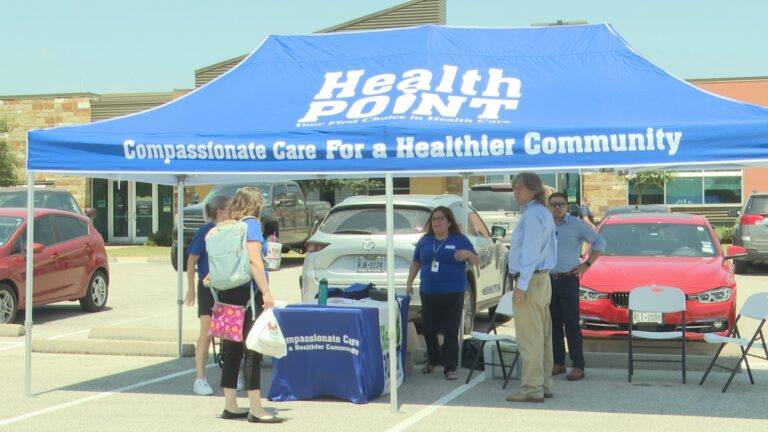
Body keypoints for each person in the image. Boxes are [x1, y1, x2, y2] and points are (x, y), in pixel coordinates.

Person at [215, 186, 283, 423]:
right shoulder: (251, 224)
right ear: (256, 204)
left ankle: (230, 404)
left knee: (232, 351)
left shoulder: (228, 225)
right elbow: (254, 259)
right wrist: (266, 291)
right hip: (248, 295)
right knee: (252, 350)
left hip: (227, 293)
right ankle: (256, 408)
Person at [406, 206, 478, 381]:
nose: (436, 222)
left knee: (450, 330)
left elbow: (475, 261)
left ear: (449, 222)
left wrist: (467, 254)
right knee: (429, 328)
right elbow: (416, 263)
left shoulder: (459, 240)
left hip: (453, 292)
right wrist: (409, 282)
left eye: (440, 219)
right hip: (429, 291)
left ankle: (450, 367)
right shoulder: (425, 241)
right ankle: (433, 358)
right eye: (434, 219)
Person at [506, 172, 557, 403]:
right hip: (542, 279)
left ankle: (532, 387)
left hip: (531, 279)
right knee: (542, 336)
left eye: (521, 188)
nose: (516, 192)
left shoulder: (532, 216)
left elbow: (530, 253)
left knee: (530, 338)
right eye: (515, 188)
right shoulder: (543, 212)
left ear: (534, 190)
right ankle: (544, 384)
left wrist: (521, 285)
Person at [547, 192, 605, 381]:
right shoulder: (544, 224)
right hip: (548, 279)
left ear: (567, 206)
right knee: (553, 324)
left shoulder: (576, 224)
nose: (557, 208)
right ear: (548, 206)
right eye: (553, 204)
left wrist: (586, 265)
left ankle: (578, 365)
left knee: (571, 324)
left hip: (568, 279)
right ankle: (558, 362)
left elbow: (599, 242)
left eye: (561, 204)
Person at [185, 195, 233, 396]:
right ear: (220, 212)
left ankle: (231, 375)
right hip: (208, 287)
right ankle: (200, 378)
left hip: (228, 287)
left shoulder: (232, 231)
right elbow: (191, 260)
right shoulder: (205, 232)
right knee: (206, 332)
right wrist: (191, 289)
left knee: (229, 332)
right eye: (231, 208)